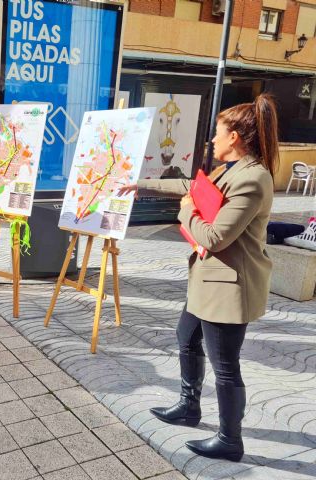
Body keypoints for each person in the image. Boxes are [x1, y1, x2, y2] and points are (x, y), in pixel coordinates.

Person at [118, 94, 279, 461]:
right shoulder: (229, 170)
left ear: (234, 137)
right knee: (186, 338)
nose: (212, 141)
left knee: (225, 366)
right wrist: (140, 184)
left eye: (217, 133)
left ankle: (230, 440)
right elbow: (193, 186)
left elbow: (215, 237)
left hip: (229, 288)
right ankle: (189, 407)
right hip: (207, 281)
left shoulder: (253, 179)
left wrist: (186, 213)